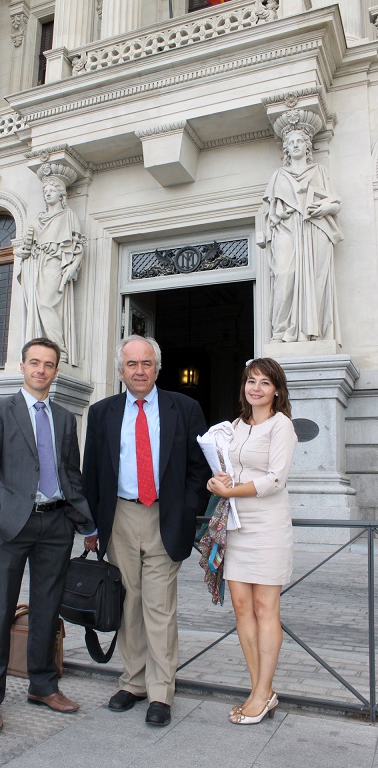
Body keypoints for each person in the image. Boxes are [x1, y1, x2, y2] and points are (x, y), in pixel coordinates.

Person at [81, 335, 209, 727]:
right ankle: (132, 681)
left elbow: (198, 468)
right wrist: (91, 525)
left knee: (159, 605)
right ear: (120, 371)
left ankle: (160, 691)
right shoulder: (102, 413)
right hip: (119, 516)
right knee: (128, 603)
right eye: (132, 364)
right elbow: (93, 472)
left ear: (157, 367)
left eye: (146, 363)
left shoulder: (184, 408)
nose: (139, 371)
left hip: (163, 517)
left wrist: (188, 513)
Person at [0, 337, 95, 733]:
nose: (41, 370)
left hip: (56, 525)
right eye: (34, 363)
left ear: (56, 371)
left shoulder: (64, 418)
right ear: (23, 367)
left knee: (47, 609)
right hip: (13, 526)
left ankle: (43, 684)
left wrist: (85, 524)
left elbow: (71, 476)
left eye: (48, 364)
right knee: (0, 610)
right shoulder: (0, 411)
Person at [207, 358, 297, 725]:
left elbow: (275, 480)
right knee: (242, 607)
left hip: (268, 525)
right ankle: (259, 688)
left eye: (264, 382)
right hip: (236, 524)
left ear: (277, 389)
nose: (256, 388)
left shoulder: (282, 426)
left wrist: (231, 491)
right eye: (251, 381)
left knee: (265, 607)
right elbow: (225, 469)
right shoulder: (235, 426)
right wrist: (217, 483)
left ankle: (263, 692)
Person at [260, 127, 343, 344]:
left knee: (315, 279)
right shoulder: (279, 175)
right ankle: (281, 330)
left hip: (314, 229)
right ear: (286, 148)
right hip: (286, 229)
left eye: (300, 141)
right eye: (292, 142)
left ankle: (312, 332)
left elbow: (335, 203)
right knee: (284, 275)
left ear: (307, 146)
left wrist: (325, 207)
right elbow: (269, 215)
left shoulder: (319, 171)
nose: (296, 144)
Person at [17, 177, 86, 366]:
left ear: (61, 195)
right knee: (38, 307)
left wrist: (73, 266)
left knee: (47, 304)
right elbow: (24, 247)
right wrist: (19, 252)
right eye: (45, 191)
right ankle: (42, 351)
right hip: (37, 264)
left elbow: (78, 246)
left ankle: (58, 350)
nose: (47, 194)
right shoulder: (36, 219)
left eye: (52, 191)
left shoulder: (68, 215)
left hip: (55, 263)